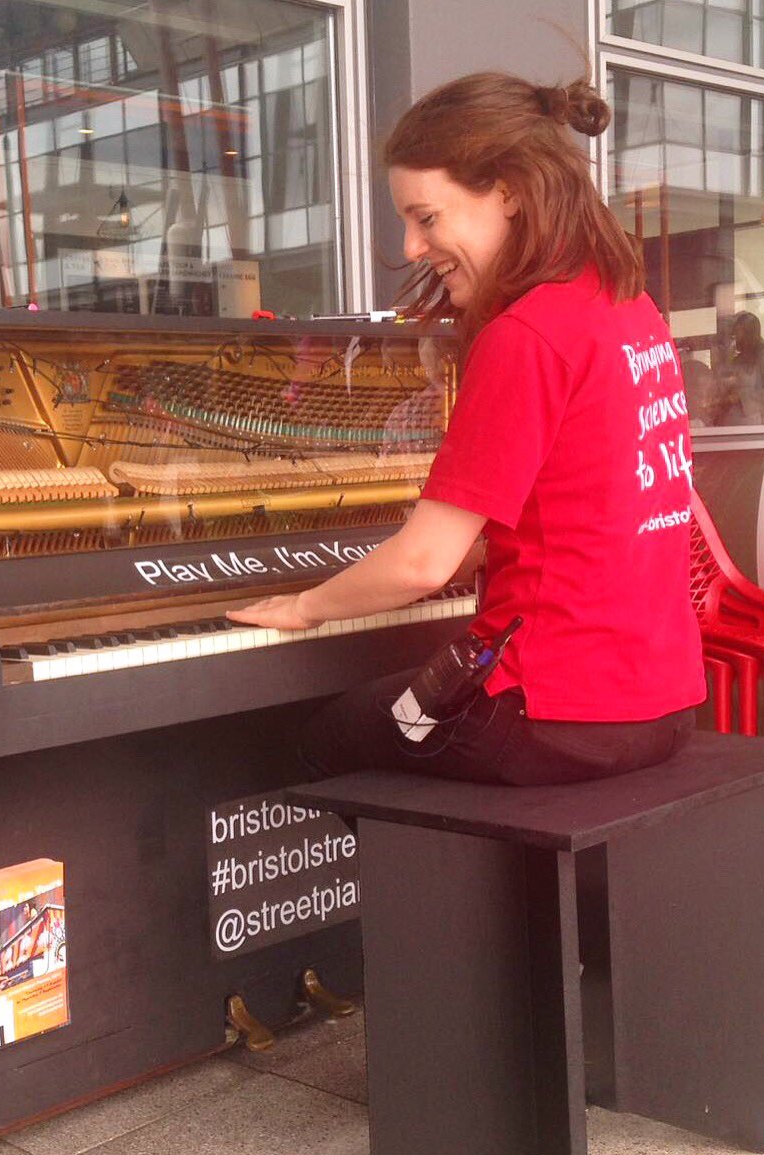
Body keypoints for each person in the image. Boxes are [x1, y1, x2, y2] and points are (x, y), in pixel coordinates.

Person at [228, 71, 705, 787]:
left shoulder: (526, 334)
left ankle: (390, 902)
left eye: (426, 218)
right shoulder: (631, 311)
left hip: (544, 714)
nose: (413, 247)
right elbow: (586, 512)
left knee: (313, 743)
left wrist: (304, 605)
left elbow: (424, 565)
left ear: (508, 193)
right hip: (661, 702)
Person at [719, 312, 764, 425]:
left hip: (761, 420)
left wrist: (742, 396)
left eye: (738, 332)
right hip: (737, 420)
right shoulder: (737, 360)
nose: (735, 337)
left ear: (749, 333)